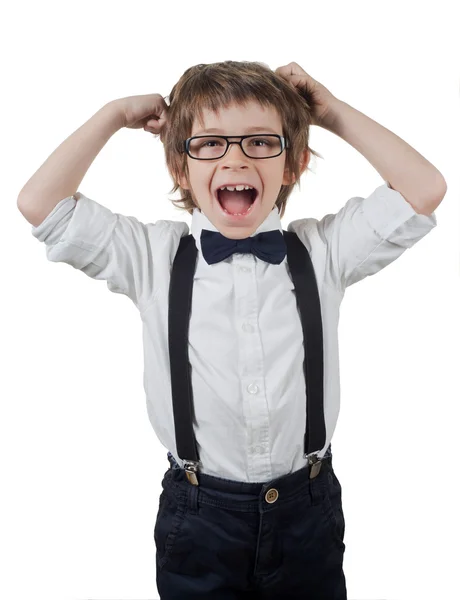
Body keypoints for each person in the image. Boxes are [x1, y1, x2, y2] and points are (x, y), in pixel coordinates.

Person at [17, 60, 445, 599]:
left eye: (262, 143)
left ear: (293, 164)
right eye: (210, 144)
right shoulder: (151, 257)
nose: (236, 157)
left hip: (306, 510)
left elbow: (424, 189)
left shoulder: (322, 252)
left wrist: (332, 113)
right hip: (198, 518)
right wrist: (113, 115)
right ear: (180, 168)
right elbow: (40, 205)